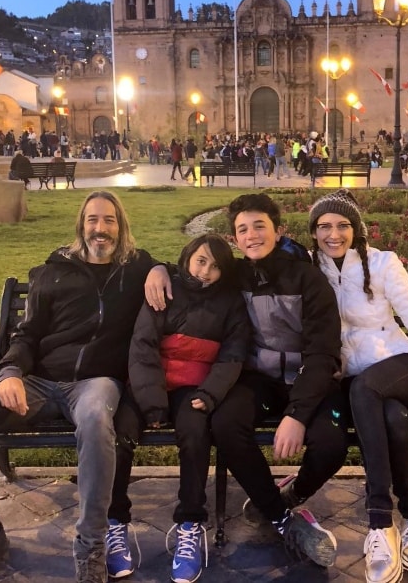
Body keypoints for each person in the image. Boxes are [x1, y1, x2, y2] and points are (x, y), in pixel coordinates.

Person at [0, 191, 169, 583]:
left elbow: (183, 268)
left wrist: (161, 268)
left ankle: (91, 548)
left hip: (96, 383)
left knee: (96, 420)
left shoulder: (135, 268)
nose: (101, 228)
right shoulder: (53, 272)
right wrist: (10, 372)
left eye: (109, 220)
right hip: (39, 382)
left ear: (121, 227)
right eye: (93, 220)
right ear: (82, 225)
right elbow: (26, 334)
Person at [308, 189, 408, 583]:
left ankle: (377, 522)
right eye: (324, 226)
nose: (333, 234)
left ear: (356, 229)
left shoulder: (383, 263)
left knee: (365, 392)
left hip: (399, 364)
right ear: (314, 232)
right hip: (354, 377)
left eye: (342, 225)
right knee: (390, 416)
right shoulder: (311, 268)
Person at [206, 194, 344, 568]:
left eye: (259, 226)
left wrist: (298, 414)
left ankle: (288, 496)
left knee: (332, 445)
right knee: (225, 422)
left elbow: (323, 353)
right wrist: (157, 272)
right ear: (234, 239)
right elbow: (191, 273)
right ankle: (285, 522)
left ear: (278, 230)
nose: (251, 236)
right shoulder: (235, 275)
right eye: (242, 230)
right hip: (260, 381)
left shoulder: (307, 278)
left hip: (310, 380)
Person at [108, 234, 250, 582]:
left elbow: (233, 354)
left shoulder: (231, 302)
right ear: (187, 258)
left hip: (195, 387)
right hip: (148, 385)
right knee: (119, 433)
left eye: (216, 266)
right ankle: (114, 522)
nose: (206, 272)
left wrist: (212, 393)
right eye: (201, 261)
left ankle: (190, 522)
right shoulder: (165, 289)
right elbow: (142, 344)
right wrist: (152, 403)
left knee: (195, 432)